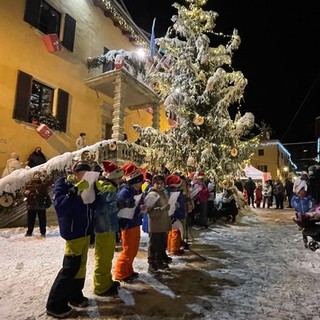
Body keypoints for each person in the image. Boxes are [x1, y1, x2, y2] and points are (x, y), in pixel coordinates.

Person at [46, 161, 94, 318]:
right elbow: (60, 205)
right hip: (73, 233)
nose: (86, 177)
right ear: (76, 173)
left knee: (80, 267)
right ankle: (54, 304)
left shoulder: (89, 185)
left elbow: (90, 207)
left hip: (85, 231)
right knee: (69, 268)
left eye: (88, 174)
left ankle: (75, 295)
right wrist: (74, 191)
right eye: (83, 173)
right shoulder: (63, 184)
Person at [93, 161, 124, 296]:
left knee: (107, 256)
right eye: (119, 177)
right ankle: (101, 287)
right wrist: (121, 204)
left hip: (107, 226)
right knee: (103, 257)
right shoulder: (107, 188)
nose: (121, 180)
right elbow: (105, 208)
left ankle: (106, 282)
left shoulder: (107, 186)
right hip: (104, 226)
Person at [114, 162, 145, 283]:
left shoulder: (136, 191)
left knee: (134, 249)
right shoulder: (124, 192)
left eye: (140, 182)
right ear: (132, 181)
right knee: (128, 250)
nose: (139, 185)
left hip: (135, 222)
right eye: (137, 183)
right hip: (127, 224)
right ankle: (120, 273)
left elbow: (137, 204)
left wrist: (142, 208)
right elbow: (118, 208)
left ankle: (128, 270)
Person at [145, 174, 172, 275]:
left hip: (163, 223)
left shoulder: (162, 193)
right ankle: (151, 264)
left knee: (161, 244)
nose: (160, 185)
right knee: (153, 245)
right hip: (156, 225)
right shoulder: (152, 194)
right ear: (153, 183)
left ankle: (159, 261)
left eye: (161, 183)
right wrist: (161, 209)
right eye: (157, 183)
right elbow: (149, 211)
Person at [23, 170, 52, 237]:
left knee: (40, 220)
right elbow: (24, 192)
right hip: (33, 204)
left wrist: (46, 175)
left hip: (38, 204)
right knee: (33, 220)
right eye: (35, 175)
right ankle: (31, 232)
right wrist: (26, 193)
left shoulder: (43, 184)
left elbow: (49, 184)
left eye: (38, 175)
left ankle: (41, 232)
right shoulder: (30, 184)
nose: (36, 177)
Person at [165, 174, 186, 256]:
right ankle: (173, 249)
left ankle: (173, 248)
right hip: (174, 215)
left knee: (175, 232)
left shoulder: (176, 193)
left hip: (177, 213)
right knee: (175, 232)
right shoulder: (171, 194)